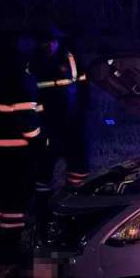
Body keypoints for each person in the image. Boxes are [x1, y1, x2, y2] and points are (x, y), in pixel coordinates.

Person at [0, 32, 41, 263]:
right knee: (16, 199)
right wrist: (38, 141)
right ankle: (9, 248)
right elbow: (27, 119)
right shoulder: (21, 79)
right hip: (17, 149)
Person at [30, 26, 89, 193]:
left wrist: (82, 111)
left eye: (53, 42)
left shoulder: (71, 58)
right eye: (46, 42)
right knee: (45, 162)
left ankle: (75, 194)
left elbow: (83, 86)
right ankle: (42, 199)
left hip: (72, 119)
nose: (49, 45)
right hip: (47, 122)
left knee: (78, 161)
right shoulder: (34, 62)